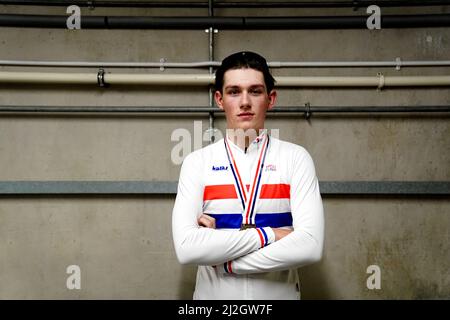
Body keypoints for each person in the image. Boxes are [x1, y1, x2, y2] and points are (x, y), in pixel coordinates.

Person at [172, 51, 324, 300]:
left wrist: (225, 261)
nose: (244, 102)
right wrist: (270, 234)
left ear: (270, 98)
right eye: (234, 92)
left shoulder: (296, 159)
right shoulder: (196, 163)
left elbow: (310, 247)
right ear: (219, 99)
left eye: (255, 91)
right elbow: (187, 249)